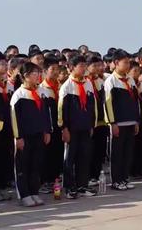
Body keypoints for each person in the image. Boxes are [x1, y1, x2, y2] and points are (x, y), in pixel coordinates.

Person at [10, 62, 51, 207]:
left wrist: (47, 131)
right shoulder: (18, 95)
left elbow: (46, 114)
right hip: (25, 137)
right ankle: (24, 195)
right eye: (34, 73)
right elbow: (14, 119)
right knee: (23, 166)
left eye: (38, 73)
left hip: (39, 135)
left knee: (36, 165)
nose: (37, 76)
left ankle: (34, 192)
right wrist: (18, 137)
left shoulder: (41, 92)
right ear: (25, 76)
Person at [59, 54, 97, 199]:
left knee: (84, 157)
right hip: (72, 129)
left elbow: (92, 105)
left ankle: (82, 185)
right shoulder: (67, 87)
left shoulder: (87, 84)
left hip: (85, 127)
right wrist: (64, 128)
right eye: (80, 66)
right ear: (71, 68)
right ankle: (69, 187)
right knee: (69, 158)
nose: (83, 69)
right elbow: (61, 110)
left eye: (84, 66)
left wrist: (91, 124)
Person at [104, 49, 140, 191]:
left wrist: (136, 120)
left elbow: (136, 101)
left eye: (128, 63)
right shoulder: (110, 81)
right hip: (118, 123)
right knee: (117, 153)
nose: (127, 65)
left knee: (127, 153)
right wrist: (112, 123)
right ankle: (116, 180)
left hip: (131, 122)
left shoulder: (130, 80)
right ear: (116, 63)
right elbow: (108, 104)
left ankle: (124, 178)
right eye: (125, 63)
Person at [0, 50, 14, 202]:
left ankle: (1, 186)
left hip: (6, 129)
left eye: (6, 63)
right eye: (1, 64)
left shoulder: (5, 85)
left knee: (4, 157)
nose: (5, 66)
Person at [39, 56, 63, 193]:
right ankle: (44, 181)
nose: (55, 72)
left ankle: (54, 179)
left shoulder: (59, 86)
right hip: (49, 128)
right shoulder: (42, 89)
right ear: (44, 71)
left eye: (57, 69)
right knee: (46, 155)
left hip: (59, 127)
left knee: (57, 153)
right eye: (52, 69)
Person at [86, 55, 108, 185]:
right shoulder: (85, 82)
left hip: (102, 121)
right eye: (94, 66)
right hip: (90, 123)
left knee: (100, 150)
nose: (98, 68)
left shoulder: (101, 81)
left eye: (99, 65)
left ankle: (96, 174)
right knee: (90, 150)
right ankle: (88, 176)